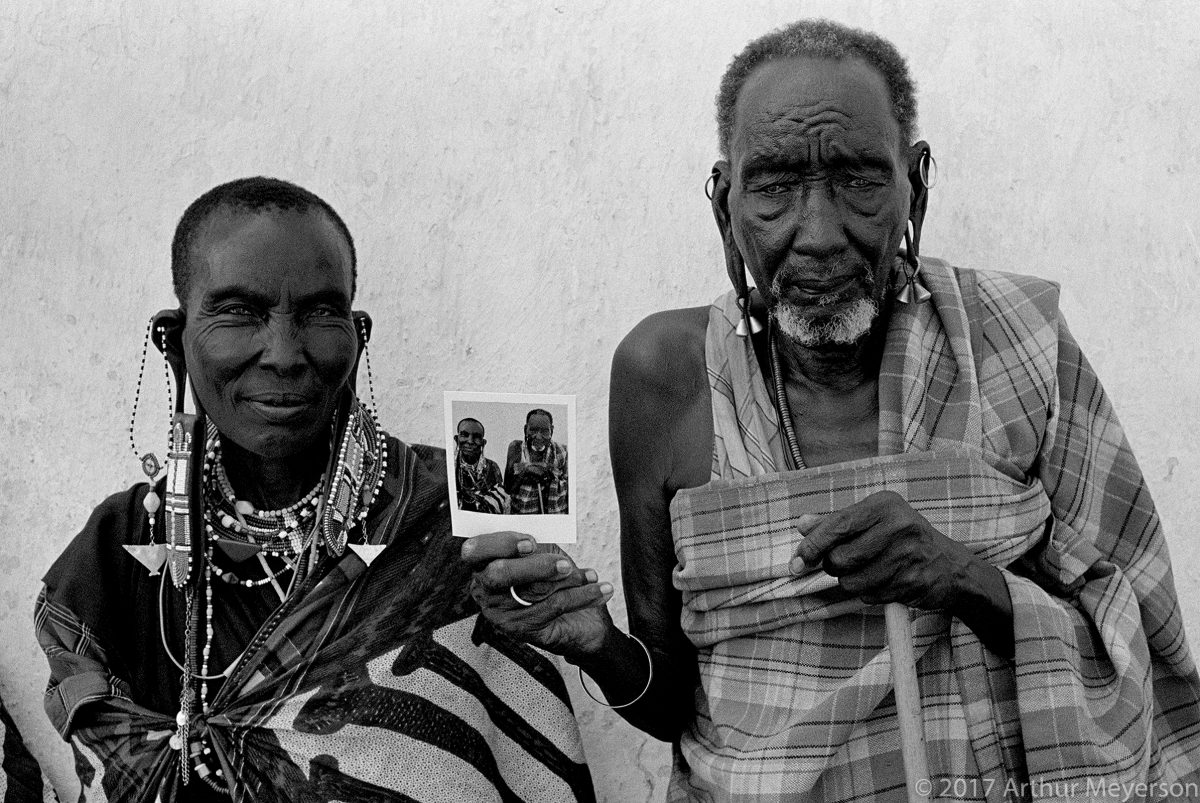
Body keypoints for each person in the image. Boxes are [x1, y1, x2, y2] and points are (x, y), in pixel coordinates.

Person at [464, 18, 1200, 802]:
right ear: (726, 203)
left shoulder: (1013, 343)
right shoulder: (663, 375)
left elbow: (1141, 650)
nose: (818, 234)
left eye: (858, 180)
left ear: (915, 184)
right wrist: (595, 644)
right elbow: (673, 700)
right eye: (775, 186)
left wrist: (965, 578)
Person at [36, 177, 594, 803]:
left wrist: (599, 646)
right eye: (238, 312)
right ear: (174, 338)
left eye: (320, 313)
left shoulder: (446, 520)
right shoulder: (118, 552)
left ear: (359, 337)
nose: (283, 353)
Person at [503, 409, 569, 514]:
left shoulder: (562, 451)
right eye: (533, 430)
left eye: (544, 431)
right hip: (523, 517)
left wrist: (548, 472)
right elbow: (508, 488)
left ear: (552, 430)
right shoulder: (516, 448)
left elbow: (570, 491)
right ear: (525, 430)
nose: (538, 436)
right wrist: (527, 470)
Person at [454, 417, 509, 513]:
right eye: (464, 435)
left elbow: (500, 501)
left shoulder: (492, 467)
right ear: (456, 439)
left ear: (483, 443)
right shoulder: (450, 468)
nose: (470, 441)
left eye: (476, 437)